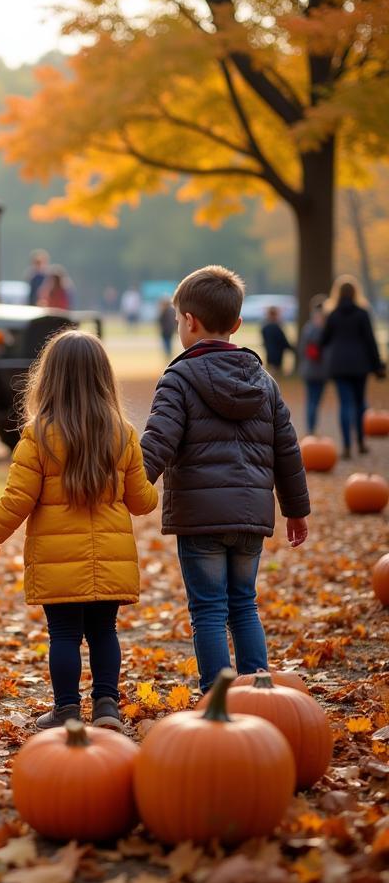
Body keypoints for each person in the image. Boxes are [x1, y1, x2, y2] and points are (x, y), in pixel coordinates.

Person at [139, 265, 311, 694]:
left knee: (210, 610)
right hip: (251, 516)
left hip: (201, 519)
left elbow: (157, 442)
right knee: (244, 606)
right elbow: (286, 451)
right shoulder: (264, 383)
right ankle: (259, 695)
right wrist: (296, 511)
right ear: (236, 325)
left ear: (189, 322)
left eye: (179, 320)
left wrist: (128, 486)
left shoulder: (178, 378)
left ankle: (218, 698)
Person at [0, 331, 158, 730]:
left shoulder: (38, 436)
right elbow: (142, 501)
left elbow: (16, 500)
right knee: (104, 632)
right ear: (103, 379)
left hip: (57, 563)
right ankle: (107, 706)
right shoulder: (122, 433)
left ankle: (67, 710)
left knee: (63, 635)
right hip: (109, 560)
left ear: (49, 379)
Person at [321, 275, 386, 458]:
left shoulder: (332, 315)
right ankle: (361, 442)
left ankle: (347, 446)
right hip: (360, 365)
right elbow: (370, 341)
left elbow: (324, 340)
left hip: (339, 365)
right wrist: (377, 365)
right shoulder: (362, 313)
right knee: (359, 404)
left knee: (345, 405)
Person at [300, 294, 328, 436]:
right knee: (314, 401)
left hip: (308, 369)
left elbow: (302, 348)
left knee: (312, 400)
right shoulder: (321, 327)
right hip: (318, 369)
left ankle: (311, 429)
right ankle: (311, 429)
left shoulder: (308, 326)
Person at [260, 306, 294, 374]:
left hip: (269, 353)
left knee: (271, 371)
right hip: (277, 353)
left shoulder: (265, 326)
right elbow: (282, 340)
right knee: (275, 373)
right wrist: (291, 348)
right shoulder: (276, 327)